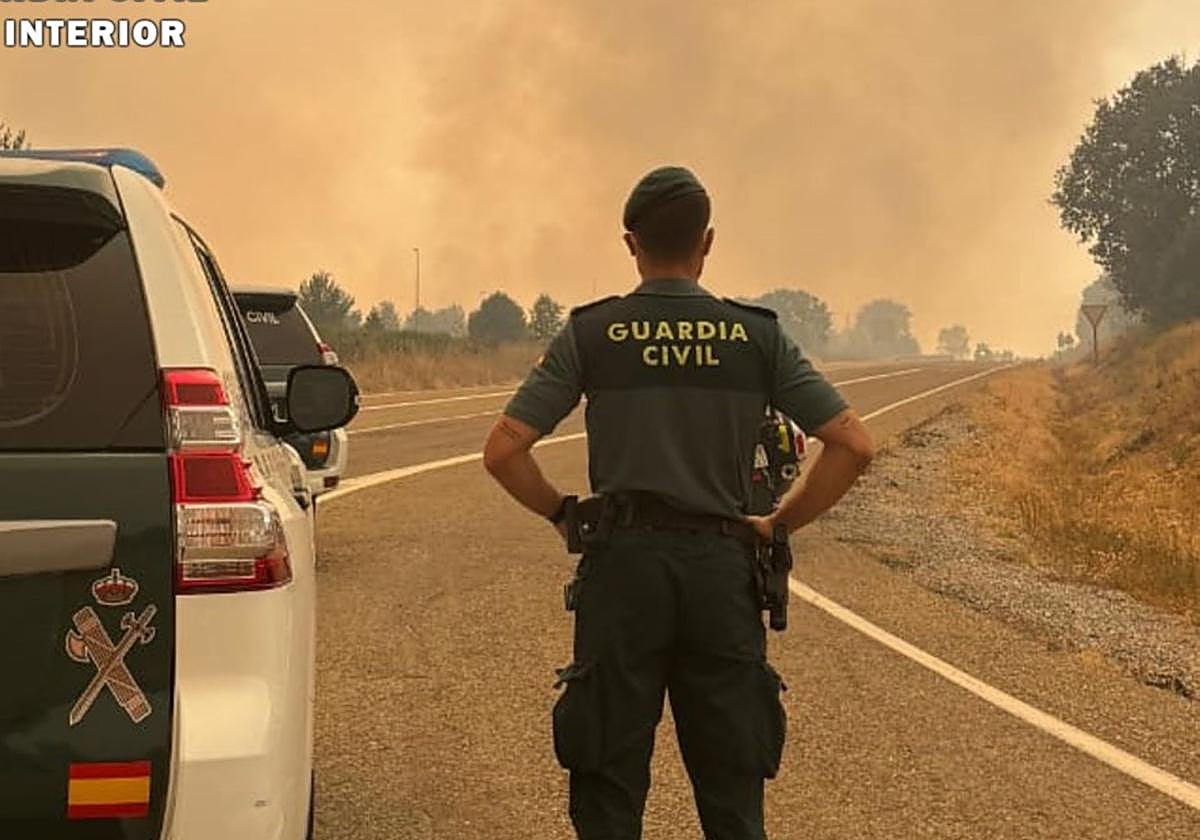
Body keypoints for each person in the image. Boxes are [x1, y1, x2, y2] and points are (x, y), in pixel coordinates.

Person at [482, 165, 875, 840]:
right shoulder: (757, 338)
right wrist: (779, 523)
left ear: (630, 243)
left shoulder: (592, 334)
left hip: (623, 571)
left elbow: (504, 451)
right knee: (731, 787)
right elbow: (852, 444)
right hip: (722, 572)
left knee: (607, 780)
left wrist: (562, 514)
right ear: (708, 243)